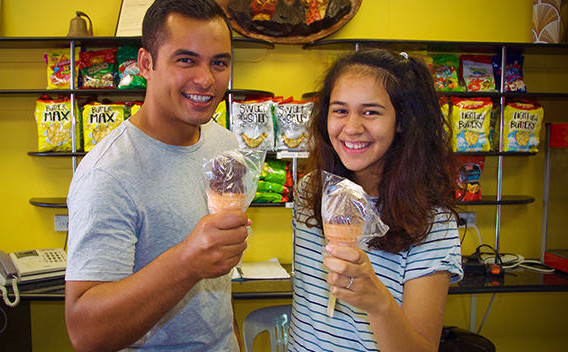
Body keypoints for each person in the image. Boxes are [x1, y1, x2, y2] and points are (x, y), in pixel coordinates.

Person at [64, 1, 248, 351]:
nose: (206, 80)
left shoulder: (225, 143)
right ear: (146, 63)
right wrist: (186, 263)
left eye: (218, 63)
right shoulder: (108, 173)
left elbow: (217, 287)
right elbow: (85, 332)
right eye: (186, 60)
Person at [289, 49, 464, 352]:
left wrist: (378, 302)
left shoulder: (433, 223)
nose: (352, 127)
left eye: (371, 112)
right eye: (340, 110)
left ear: (401, 121)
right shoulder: (311, 193)